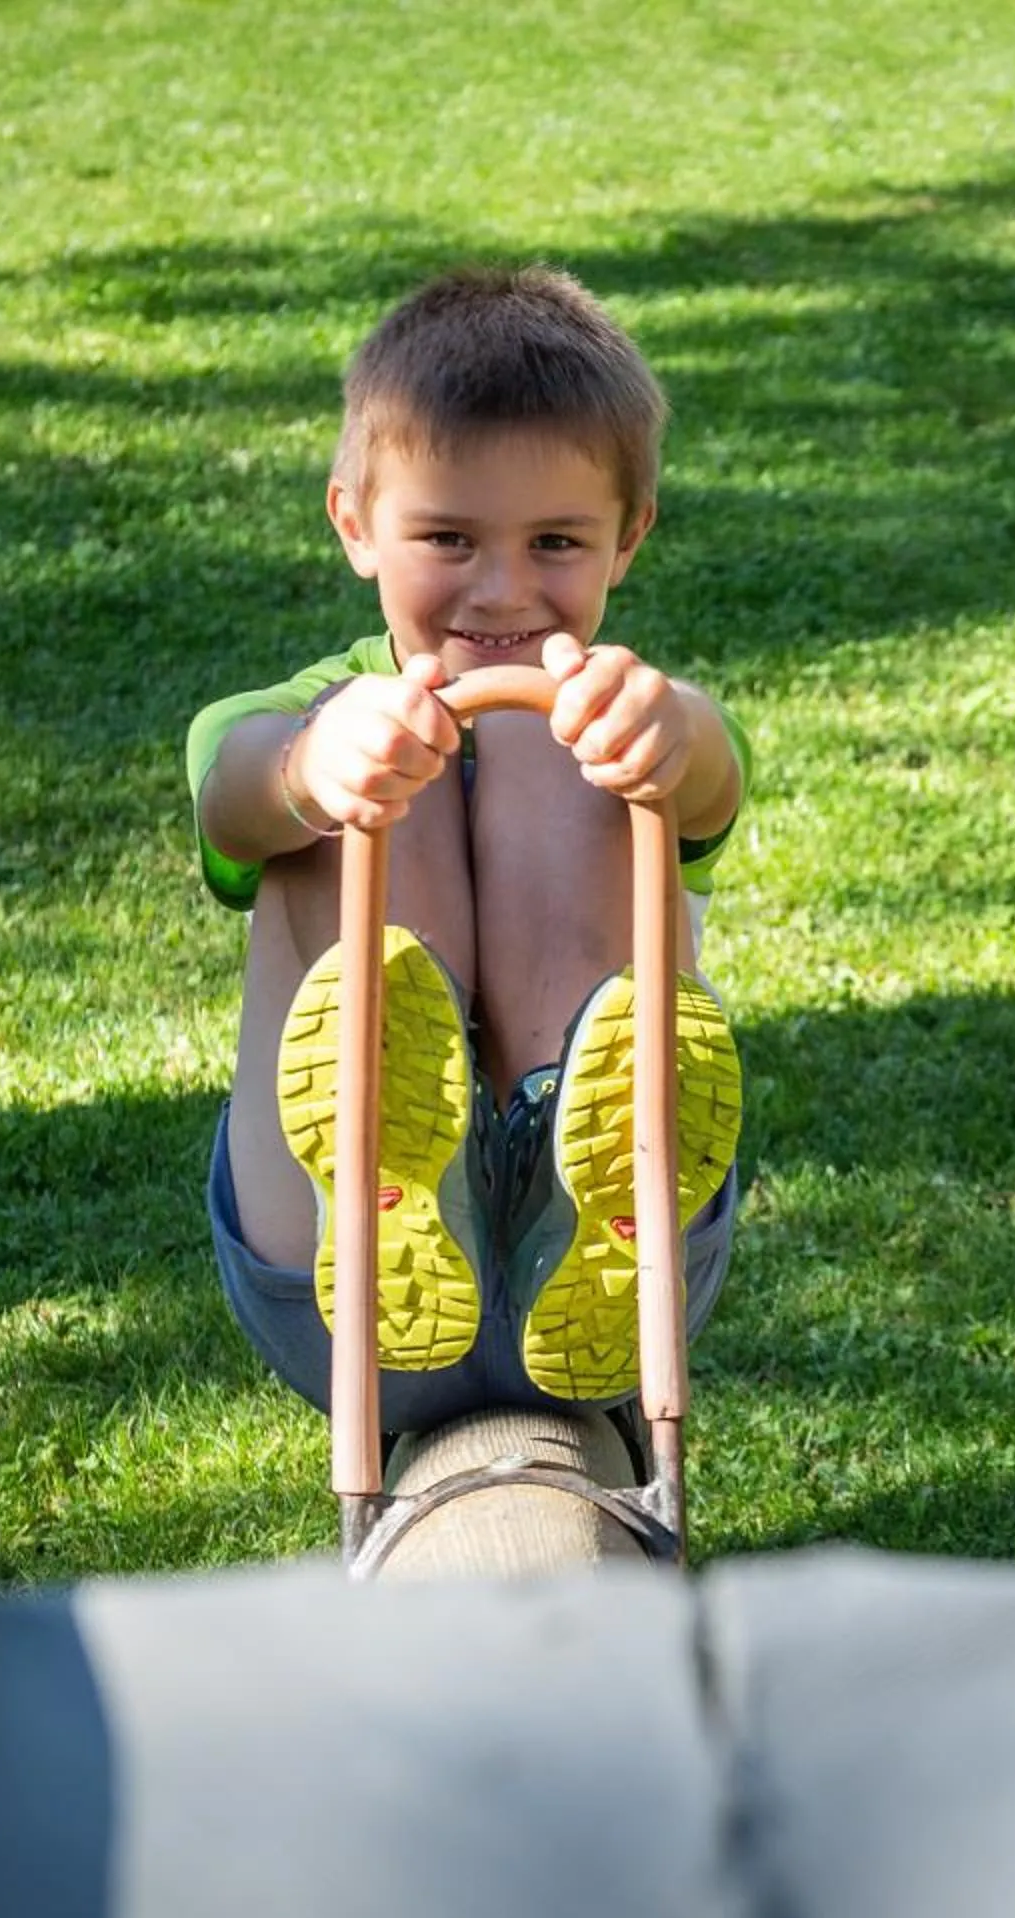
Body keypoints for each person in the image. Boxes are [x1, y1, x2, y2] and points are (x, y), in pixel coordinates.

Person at [184, 265, 746, 1466]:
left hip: (616, 1292)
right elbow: (234, 798)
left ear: (628, 535)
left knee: (569, 727)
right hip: (342, 1284)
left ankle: (569, 1166)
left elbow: (712, 776)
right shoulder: (291, 715)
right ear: (353, 523)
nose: (501, 587)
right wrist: (306, 767)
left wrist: (675, 730)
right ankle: (393, 1170)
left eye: (555, 540)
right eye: (447, 537)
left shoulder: (619, 701)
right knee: (357, 749)